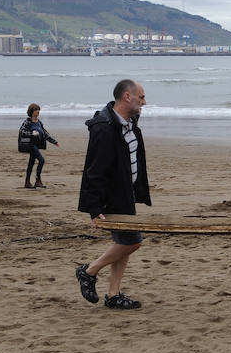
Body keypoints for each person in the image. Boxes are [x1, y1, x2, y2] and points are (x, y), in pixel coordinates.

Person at [76, 79, 151, 310]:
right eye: (141, 97)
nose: (144, 102)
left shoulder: (129, 123)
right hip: (111, 198)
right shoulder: (104, 128)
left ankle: (113, 294)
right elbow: (95, 170)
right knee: (133, 241)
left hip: (125, 195)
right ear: (126, 97)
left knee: (124, 241)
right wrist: (94, 209)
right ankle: (89, 271)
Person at [20, 103, 59, 189]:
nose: (38, 112)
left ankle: (27, 182)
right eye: (36, 110)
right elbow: (22, 131)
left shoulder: (39, 122)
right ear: (32, 111)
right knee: (41, 160)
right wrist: (32, 133)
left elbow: (45, 133)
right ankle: (37, 180)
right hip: (31, 145)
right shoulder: (28, 121)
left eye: (38, 110)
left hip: (37, 145)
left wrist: (54, 142)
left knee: (31, 163)